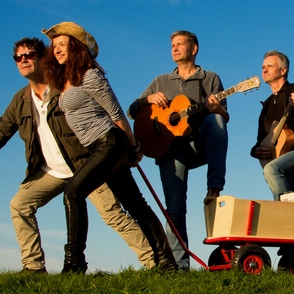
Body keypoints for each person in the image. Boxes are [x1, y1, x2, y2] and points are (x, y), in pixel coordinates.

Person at [4, 37, 157, 273]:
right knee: (19, 204)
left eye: (29, 55)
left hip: (85, 162)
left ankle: (153, 261)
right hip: (50, 170)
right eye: (18, 57)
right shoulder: (20, 100)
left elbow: (105, 114)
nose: (23, 60)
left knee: (112, 214)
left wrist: (128, 147)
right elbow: (2, 130)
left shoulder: (64, 86)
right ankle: (33, 266)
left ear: (42, 58)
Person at [41, 21, 177, 273]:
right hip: (97, 147)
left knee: (73, 191)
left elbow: (116, 114)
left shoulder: (91, 76)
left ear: (76, 47)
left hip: (110, 142)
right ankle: (167, 263)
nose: (56, 50)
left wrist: (134, 148)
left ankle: (74, 263)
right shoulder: (65, 81)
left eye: (62, 44)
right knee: (136, 205)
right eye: (54, 46)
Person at [128, 30, 229, 270]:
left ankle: (214, 186)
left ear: (194, 49)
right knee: (174, 207)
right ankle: (179, 266)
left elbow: (225, 116)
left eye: (180, 44)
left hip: (198, 145)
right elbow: (133, 110)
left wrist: (215, 109)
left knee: (216, 121)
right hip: (170, 150)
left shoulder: (210, 78)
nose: (174, 48)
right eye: (172, 44)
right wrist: (148, 100)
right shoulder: (161, 81)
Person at [251, 51, 294, 201]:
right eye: (263, 66)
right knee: (271, 169)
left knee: (272, 169)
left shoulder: (293, 90)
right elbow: (261, 139)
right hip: (282, 158)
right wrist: (256, 150)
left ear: (283, 70)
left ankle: (286, 213)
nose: (264, 69)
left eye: (270, 66)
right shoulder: (266, 106)